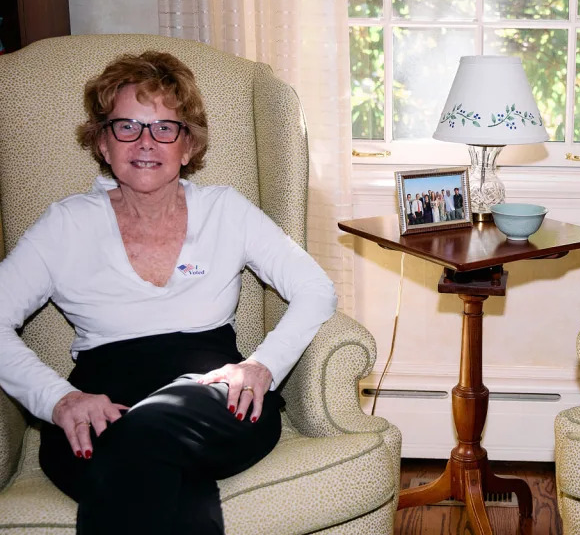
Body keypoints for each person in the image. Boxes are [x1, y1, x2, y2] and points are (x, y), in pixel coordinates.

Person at [0, 51, 337, 535]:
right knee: (163, 486)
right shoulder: (66, 225)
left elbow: (315, 289)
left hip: (214, 401)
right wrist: (59, 400)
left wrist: (262, 366)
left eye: (164, 128)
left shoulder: (226, 210)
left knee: (128, 451)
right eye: (127, 127)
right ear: (102, 141)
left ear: (187, 145)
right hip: (97, 408)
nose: (145, 142)